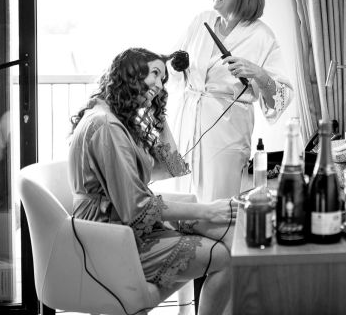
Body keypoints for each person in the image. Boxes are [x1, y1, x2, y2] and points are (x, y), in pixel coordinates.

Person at [67, 48, 237, 315]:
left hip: (121, 223)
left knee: (227, 232)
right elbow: (136, 209)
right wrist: (207, 209)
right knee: (225, 255)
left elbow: (173, 168)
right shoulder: (107, 127)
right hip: (109, 235)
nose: (159, 84)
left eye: (163, 80)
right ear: (131, 73)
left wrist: (158, 116)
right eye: (155, 73)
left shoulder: (116, 120)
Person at [168, 0, 293, 203]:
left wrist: (259, 73)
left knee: (218, 202)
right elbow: (172, 68)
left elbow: (282, 97)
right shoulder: (201, 21)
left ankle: (220, 241)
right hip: (186, 124)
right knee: (182, 198)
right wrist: (176, 65)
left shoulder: (262, 36)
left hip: (226, 133)